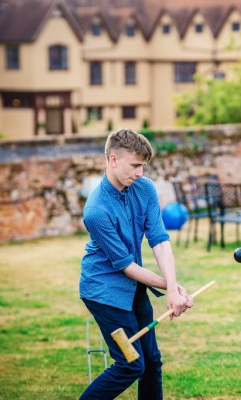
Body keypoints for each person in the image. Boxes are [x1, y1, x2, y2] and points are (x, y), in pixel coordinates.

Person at [79, 128, 193, 400]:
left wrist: (173, 289)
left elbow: (159, 240)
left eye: (143, 166)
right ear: (114, 159)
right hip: (104, 293)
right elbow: (126, 266)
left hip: (135, 288)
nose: (141, 172)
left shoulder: (144, 188)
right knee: (130, 365)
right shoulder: (96, 210)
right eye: (135, 165)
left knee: (152, 362)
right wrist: (170, 287)